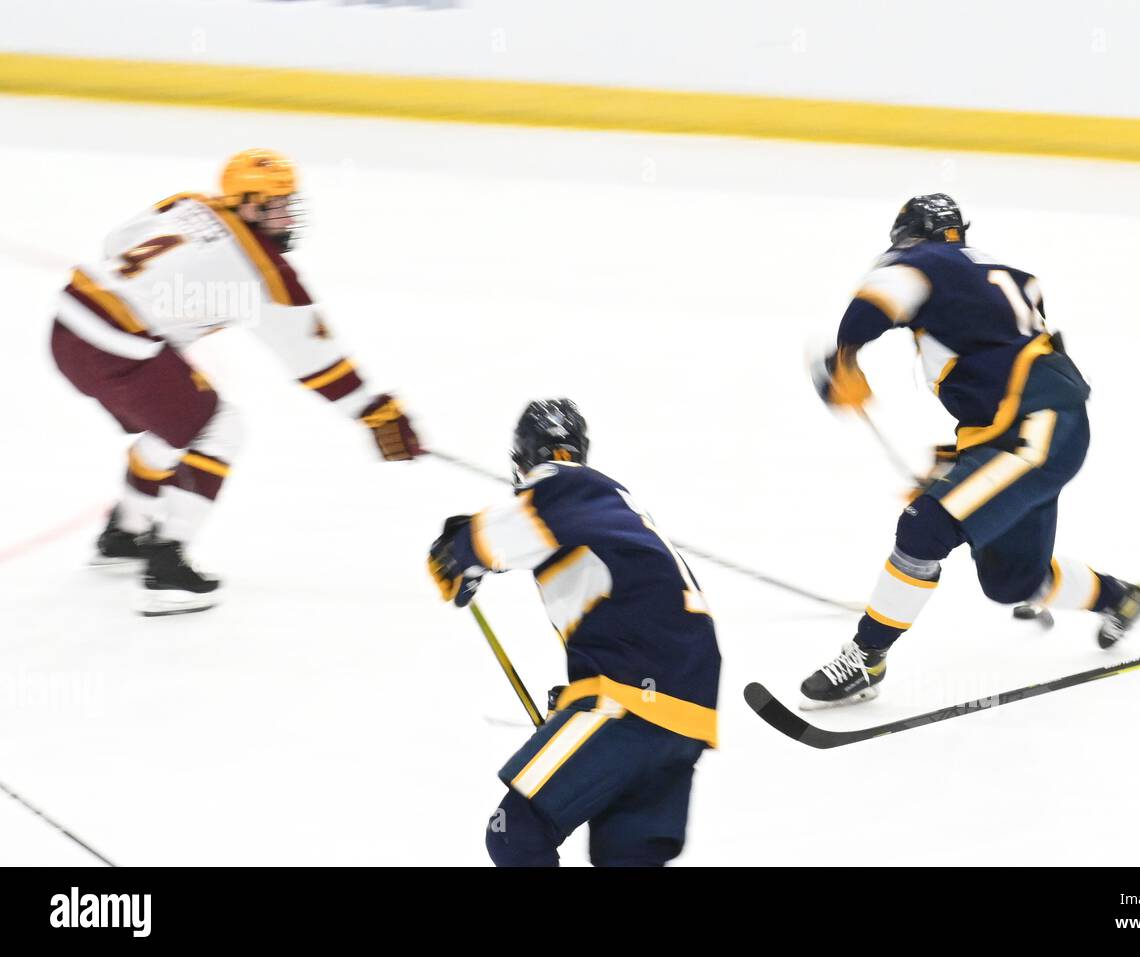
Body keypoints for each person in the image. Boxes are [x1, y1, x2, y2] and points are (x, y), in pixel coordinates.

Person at [802, 193, 1140, 709]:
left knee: (925, 527)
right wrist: (958, 461)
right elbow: (1004, 368)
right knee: (1013, 581)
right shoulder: (1000, 275)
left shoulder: (921, 260)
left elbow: (876, 299)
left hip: (1037, 431)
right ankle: (1120, 596)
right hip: (1038, 429)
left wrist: (846, 355)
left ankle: (866, 657)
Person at [51, 148, 422, 615]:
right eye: (274, 205)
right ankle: (166, 570)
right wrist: (375, 413)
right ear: (246, 204)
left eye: (290, 203)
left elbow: (115, 243)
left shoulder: (188, 204)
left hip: (68, 324)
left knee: (176, 423)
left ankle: (125, 532)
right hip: (117, 347)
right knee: (221, 429)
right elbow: (319, 365)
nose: (287, 215)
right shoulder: (263, 272)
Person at [427, 399, 720, 866]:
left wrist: (460, 551)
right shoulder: (609, 511)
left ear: (521, 461)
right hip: (687, 712)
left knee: (515, 832)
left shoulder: (563, 485)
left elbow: (512, 526)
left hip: (632, 699)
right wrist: (578, 700)